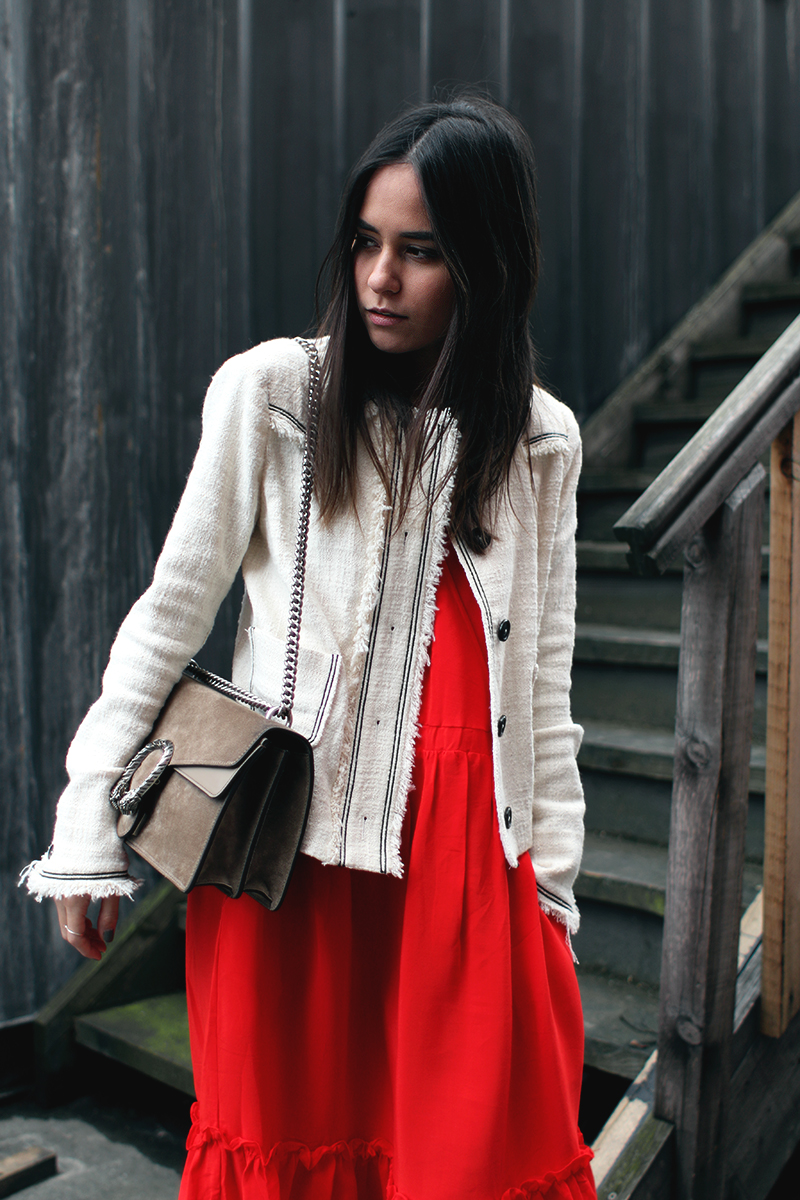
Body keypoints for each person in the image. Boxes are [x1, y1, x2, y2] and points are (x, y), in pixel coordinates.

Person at [23, 96, 596, 1200]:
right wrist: (88, 820)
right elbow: (167, 615)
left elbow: (544, 685)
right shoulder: (273, 394)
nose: (380, 277)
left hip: (471, 872)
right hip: (288, 861)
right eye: (366, 243)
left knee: (470, 1164)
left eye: (421, 252)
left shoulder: (540, 440)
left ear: (484, 261)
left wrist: (551, 898)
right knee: (286, 1152)